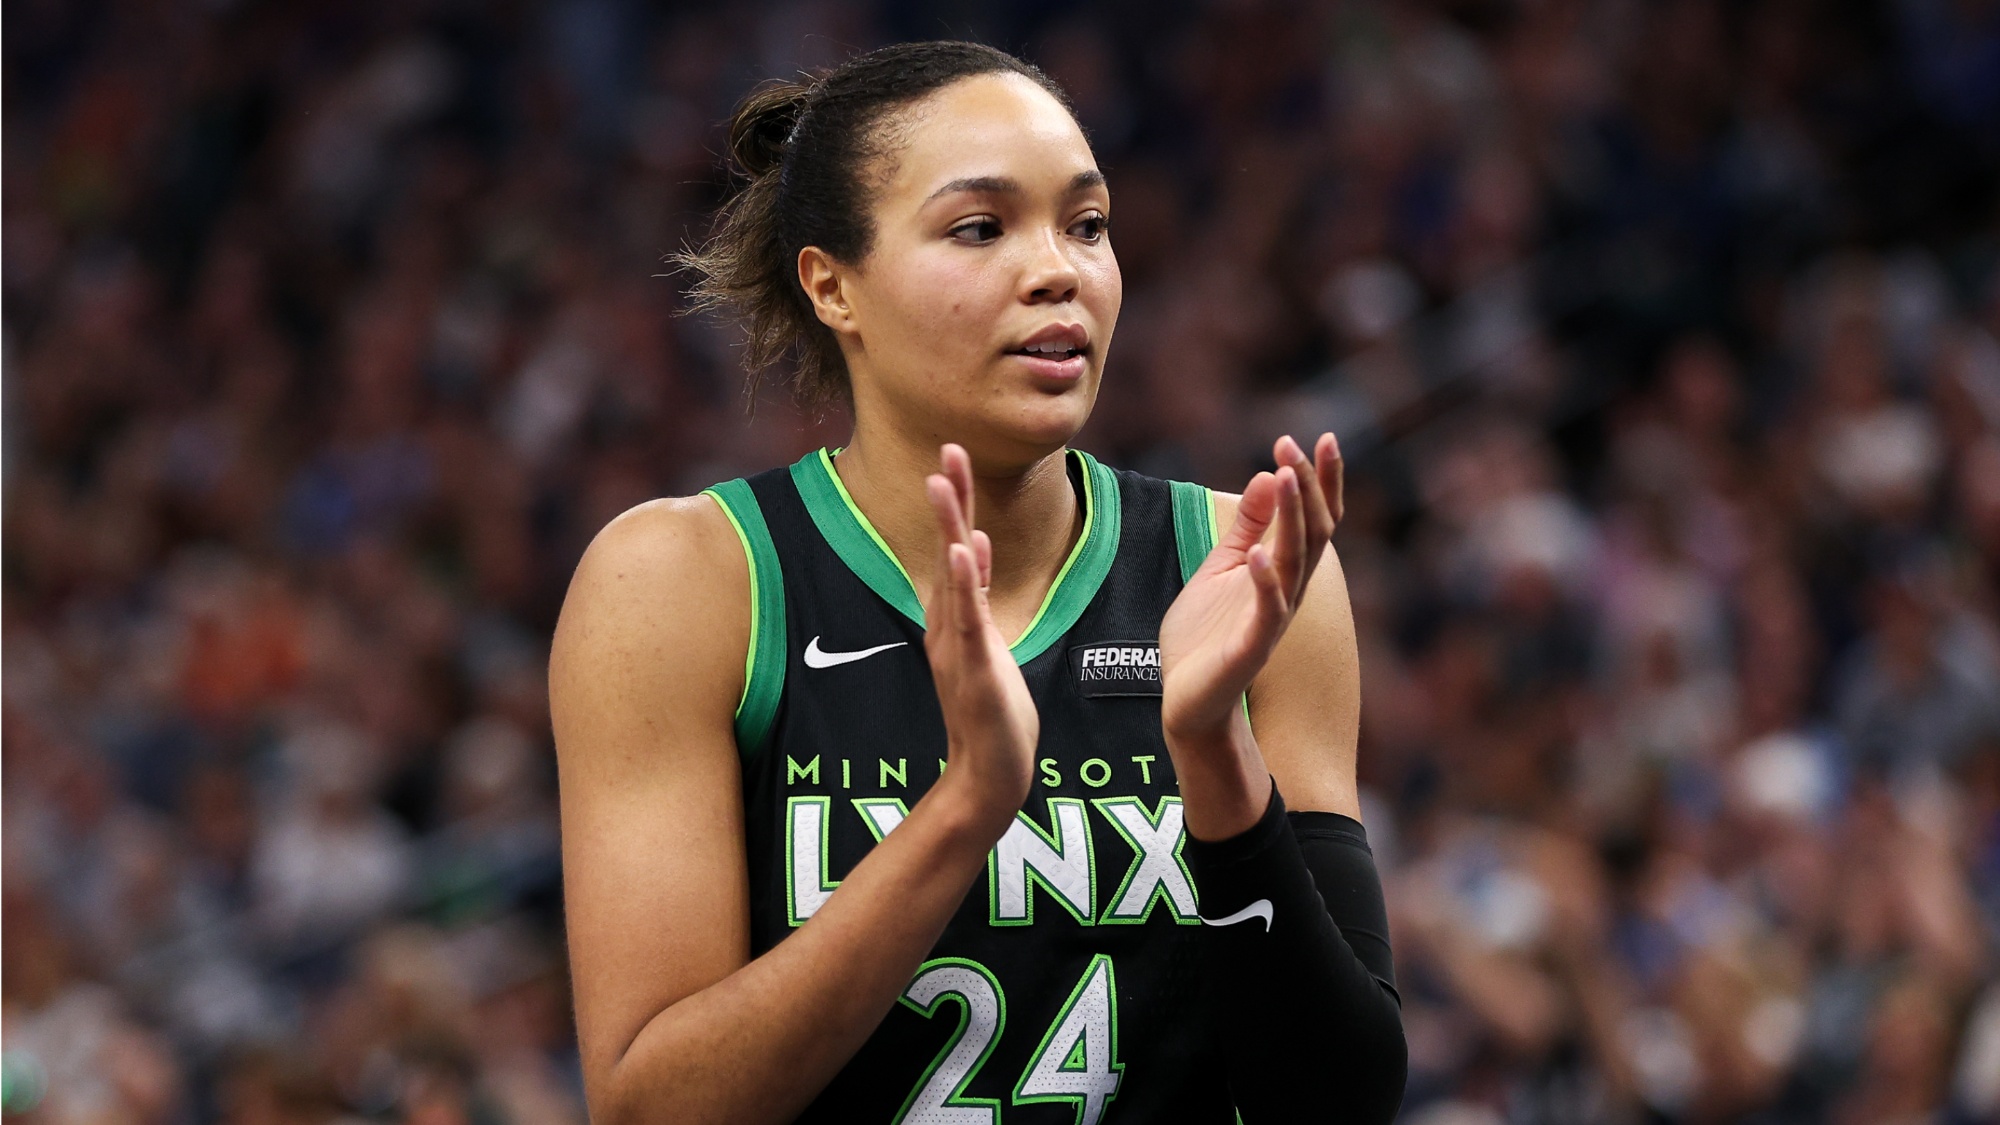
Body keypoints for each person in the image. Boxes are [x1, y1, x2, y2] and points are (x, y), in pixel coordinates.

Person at [550, 40, 1404, 1125]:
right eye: (979, 228)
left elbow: (1342, 1102)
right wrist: (965, 807)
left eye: (1086, 225)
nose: (1058, 270)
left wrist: (1215, 761)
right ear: (832, 285)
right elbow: (649, 1110)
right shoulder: (685, 581)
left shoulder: (1241, 568)